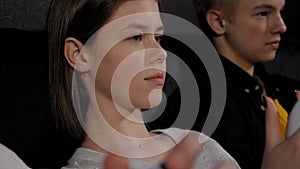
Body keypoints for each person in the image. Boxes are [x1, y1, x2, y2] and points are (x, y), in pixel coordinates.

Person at [47, 0, 240, 168]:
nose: (161, 53)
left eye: (158, 38)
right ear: (79, 55)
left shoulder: (199, 147)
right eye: (136, 37)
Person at [192, 0, 300, 168]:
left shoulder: (287, 89)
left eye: (280, 12)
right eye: (263, 14)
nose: (281, 26)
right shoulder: (205, 109)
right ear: (218, 22)